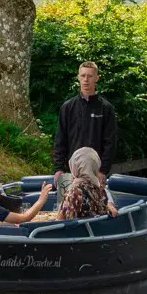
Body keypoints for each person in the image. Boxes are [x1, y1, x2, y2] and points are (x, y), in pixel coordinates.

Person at [53, 61, 117, 215]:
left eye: (89, 76)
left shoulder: (106, 108)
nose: (86, 80)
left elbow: (111, 142)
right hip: (71, 171)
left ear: (97, 78)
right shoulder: (68, 107)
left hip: (96, 171)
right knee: (67, 210)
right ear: (78, 77)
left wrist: (103, 170)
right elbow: (60, 139)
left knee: (100, 209)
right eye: (83, 76)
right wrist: (58, 168)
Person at [57, 147, 109, 221]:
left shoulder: (75, 192)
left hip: (79, 231)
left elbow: (62, 222)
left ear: (75, 165)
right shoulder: (101, 189)